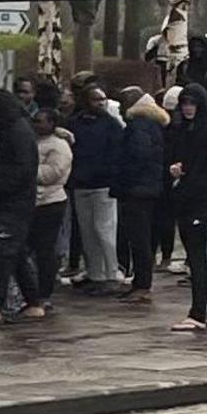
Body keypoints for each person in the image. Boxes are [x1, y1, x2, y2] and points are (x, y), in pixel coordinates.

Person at [162, 82, 207, 330]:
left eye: (192, 103)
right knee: (196, 255)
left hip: (202, 201)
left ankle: (199, 311)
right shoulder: (183, 129)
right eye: (185, 103)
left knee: (200, 257)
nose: (188, 108)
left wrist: (185, 174)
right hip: (185, 198)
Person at [0, 89, 39, 323]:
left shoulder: (17, 132)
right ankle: (33, 300)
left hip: (12, 202)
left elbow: (21, 170)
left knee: (4, 252)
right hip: (11, 200)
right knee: (16, 252)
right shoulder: (11, 130)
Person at [66, 83, 125, 289]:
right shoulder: (74, 124)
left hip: (103, 185)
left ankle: (111, 273)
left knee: (105, 229)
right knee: (87, 231)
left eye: (103, 99)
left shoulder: (111, 125)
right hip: (81, 184)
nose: (100, 103)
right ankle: (95, 273)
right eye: (95, 99)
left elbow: (117, 154)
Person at [115, 90, 168, 299]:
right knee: (143, 237)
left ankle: (142, 283)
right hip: (148, 187)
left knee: (139, 237)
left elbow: (137, 156)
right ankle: (141, 281)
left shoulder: (139, 127)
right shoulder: (153, 124)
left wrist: (126, 178)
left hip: (138, 189)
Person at [28, 104, 75, 311]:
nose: (36, 124)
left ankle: (44, 291)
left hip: (50, 202)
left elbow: (53, 173)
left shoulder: (59, 146)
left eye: (41, 121)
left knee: (45, 249)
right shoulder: (33, 141)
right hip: (32, 201)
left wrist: (26, 170)